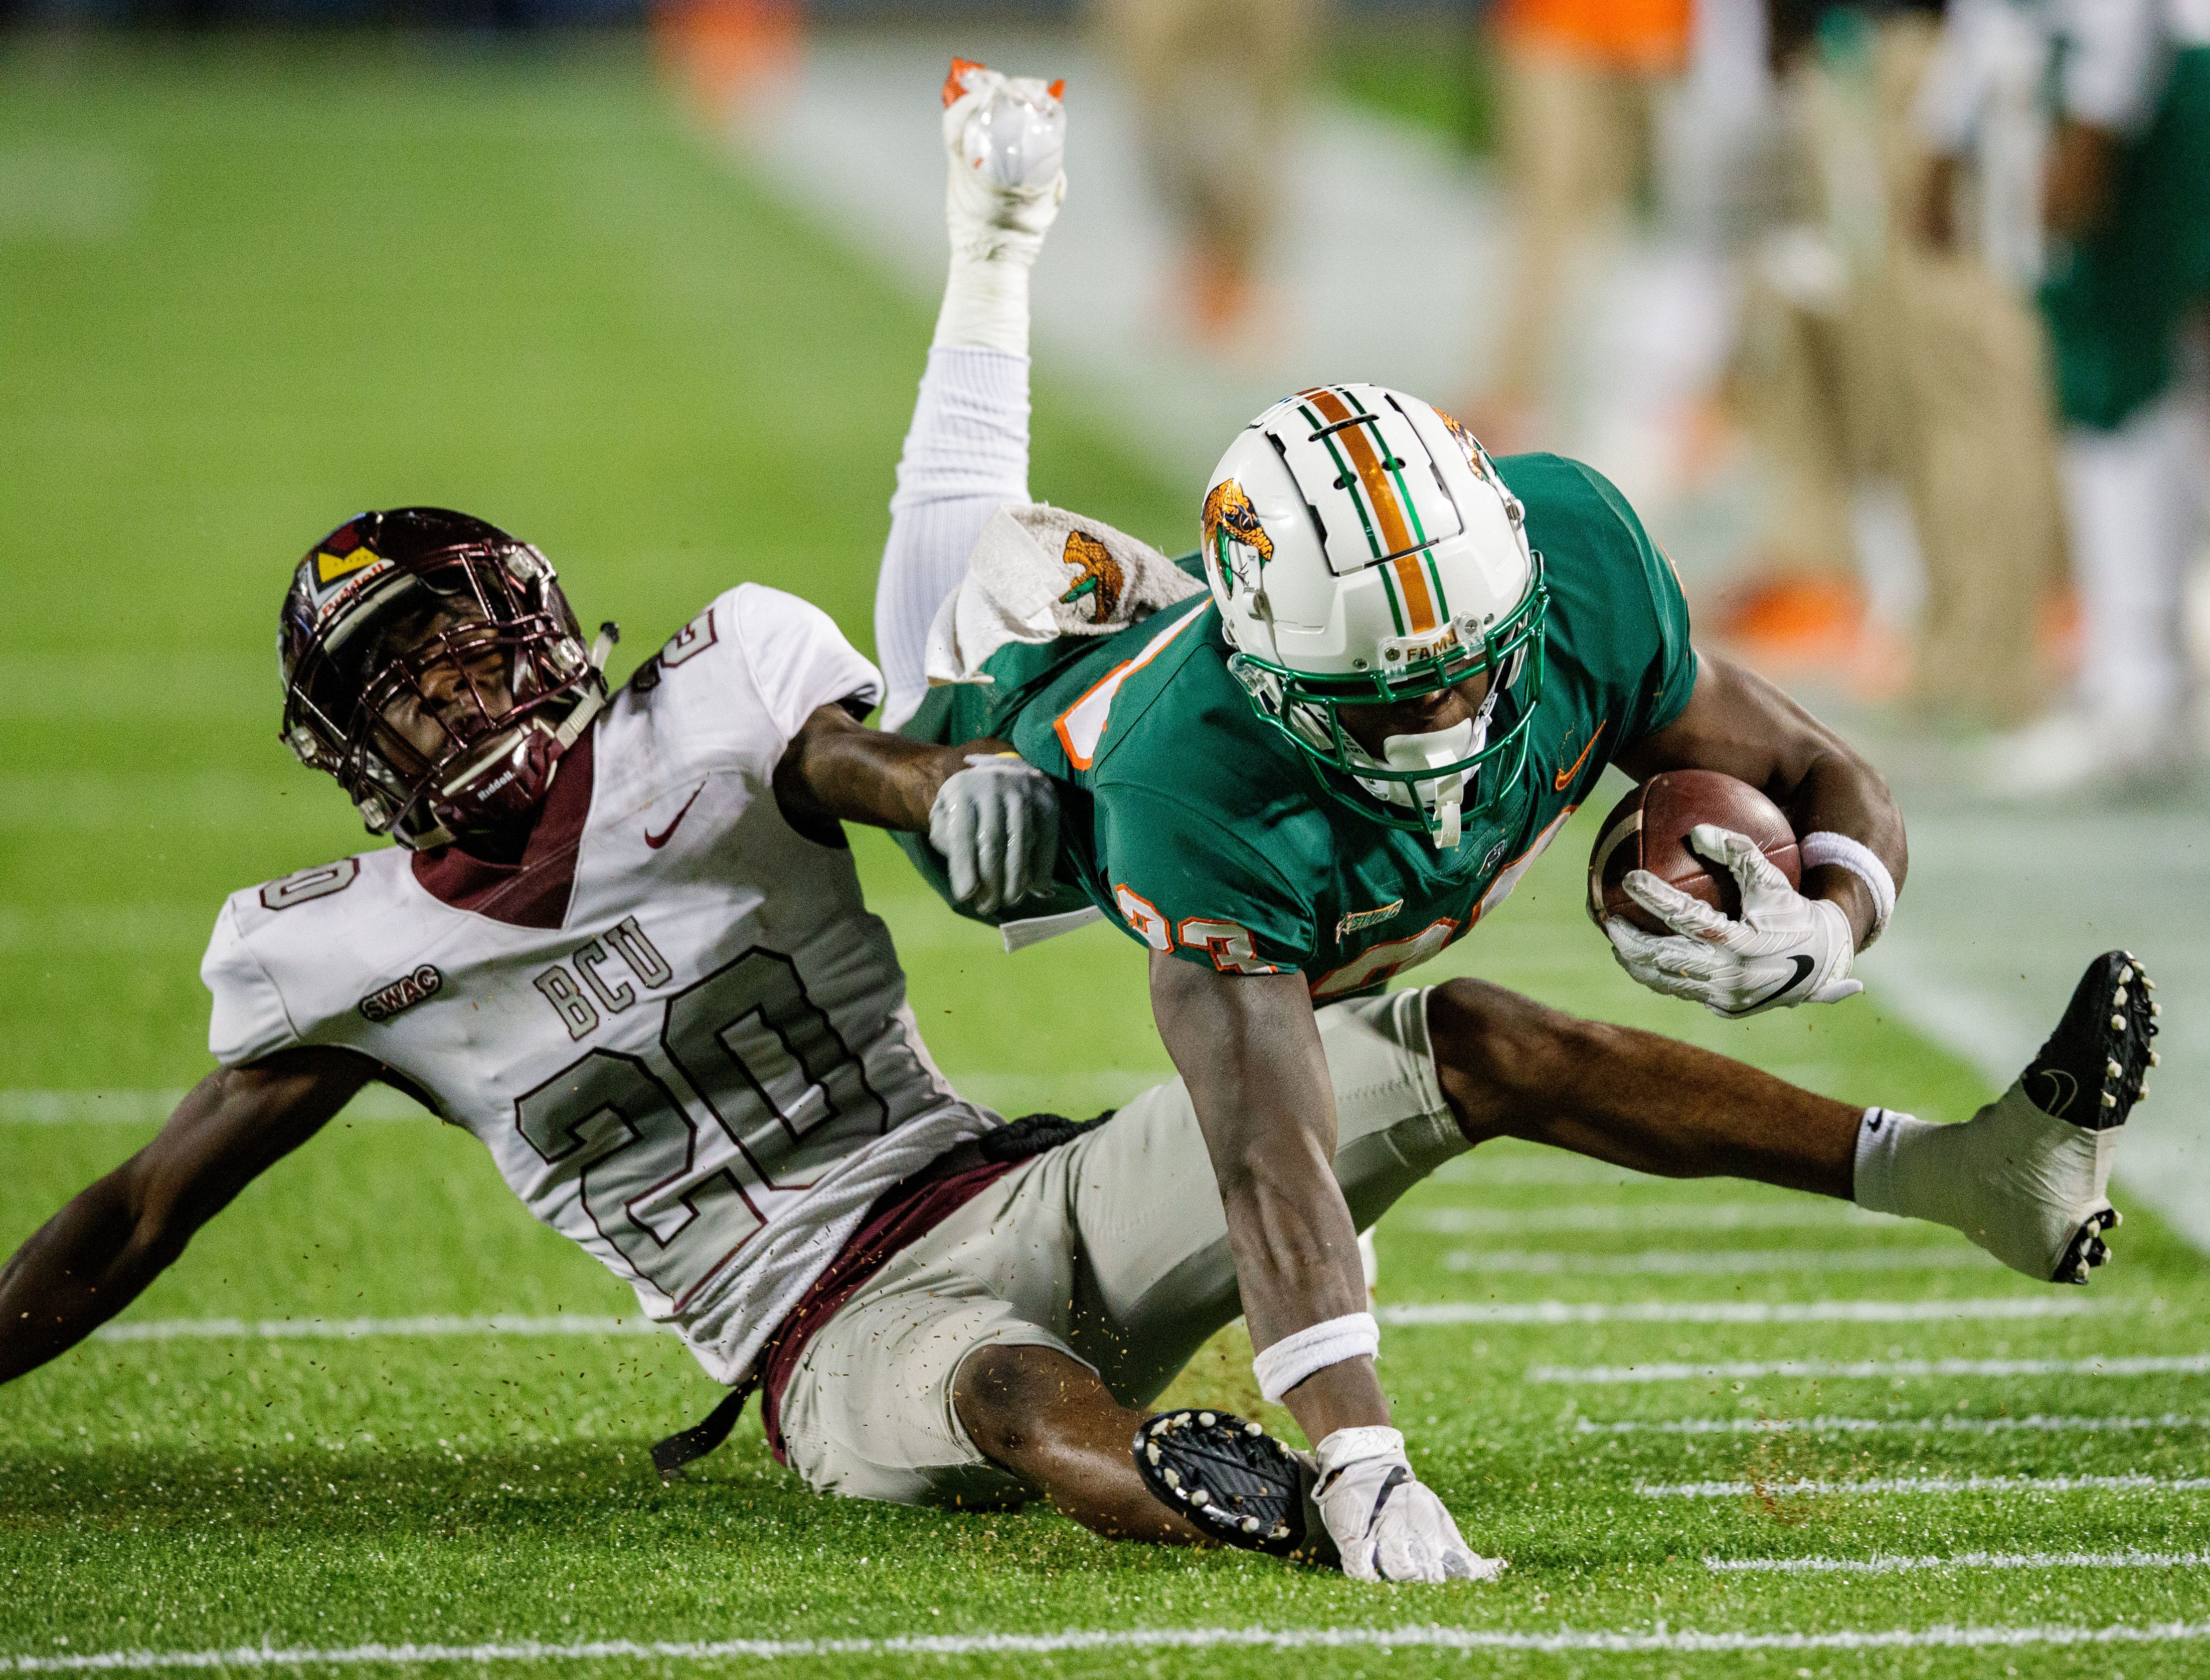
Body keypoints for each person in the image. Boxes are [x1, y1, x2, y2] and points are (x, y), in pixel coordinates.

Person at [883, 58, 2158, 1581]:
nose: (1452, 729)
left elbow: (1832, 775)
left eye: (1472, 672)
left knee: (1467, 1027)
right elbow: (1269, 1154)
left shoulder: (1576, 560)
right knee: (947, 653)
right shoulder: (1190, 780)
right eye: (1391, 702)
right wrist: (1361, 1458)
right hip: (1020, 740)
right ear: (1272, 679)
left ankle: (1966, 1172)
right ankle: (1000, 237)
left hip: (1256, 701)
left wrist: (1832, 914)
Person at [1978, 0, 2210, 792]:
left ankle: (2139, 686)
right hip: (2130, 80)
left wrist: (2095, 121)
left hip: (2151, 89)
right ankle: (2138, 678)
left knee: (2118, 386)